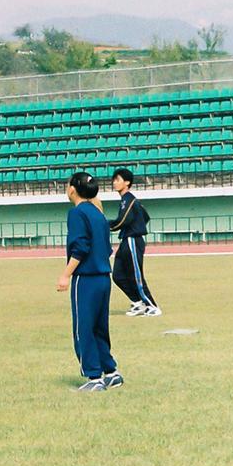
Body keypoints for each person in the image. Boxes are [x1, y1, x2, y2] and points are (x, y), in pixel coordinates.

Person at [56, 172, 123, 392]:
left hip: (86, 279)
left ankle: (94, 376)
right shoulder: (98, 213)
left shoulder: (77, 213)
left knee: (83, 328)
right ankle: (111, 372)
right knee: (99, 328)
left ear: (72, 189)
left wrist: (66, 275)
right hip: (103, 277)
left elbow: (80, 248)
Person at [108, 168, 161, 317]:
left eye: (118, 180)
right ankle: (138, 303)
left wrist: (106, 225)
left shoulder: (129, 199)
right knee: (118, 275)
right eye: (114, 180)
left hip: (132, 240)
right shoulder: (126, 200)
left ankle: (152, 306)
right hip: (126, 240)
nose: (114, 183)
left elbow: (123, 220)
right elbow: (144, 216)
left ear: (127, 182)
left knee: (135, 275)